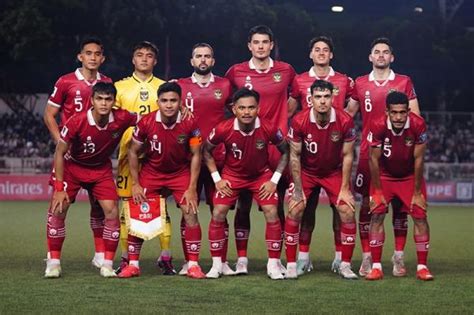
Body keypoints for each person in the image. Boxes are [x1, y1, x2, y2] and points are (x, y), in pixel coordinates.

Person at [44, 82, 139, 278]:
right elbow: (59, 153)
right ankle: (53, 263)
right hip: (73, 167)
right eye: (99, 99)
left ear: (114, 102)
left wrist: (178, 109)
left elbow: (148, 119)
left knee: (111, 211)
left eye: (108, 99)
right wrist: (60, 187)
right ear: (92, 101)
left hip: (100, 170)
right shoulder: (76, 121)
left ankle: (106, 264)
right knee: (58, 208)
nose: (104, 103)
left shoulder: (122, 117)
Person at [346, 37, 421, 277]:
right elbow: (348, 115)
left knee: (400, 207)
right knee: (368, 208)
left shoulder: (403, 81)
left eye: (385, 52)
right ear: (370, 57)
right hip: (370, 155)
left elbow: (416, 117)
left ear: (392, 57)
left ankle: (398, 257)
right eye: (376, 52)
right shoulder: (359, 83)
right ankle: (368, 256)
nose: (380, 55)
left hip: (400, 155)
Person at [117, 82, 206, 279]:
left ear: (180, 102)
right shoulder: (147, 122)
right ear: (158, 102)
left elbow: (197, 155)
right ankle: (133, 264)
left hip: (179, 173)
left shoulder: (190, 123)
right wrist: (136, 183)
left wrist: (192, 188)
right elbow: (133, 151)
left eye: (173, 100)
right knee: (138, 213)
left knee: (190, 212)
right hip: (152, 172)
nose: (168, 105)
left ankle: (193, 265)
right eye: (164, 101)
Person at [225, 25, 295, 274]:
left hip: (276, 147)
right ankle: (242, 259)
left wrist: (282, 120)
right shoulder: (236, 71)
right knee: (243, 204)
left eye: (265, 42)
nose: (261, 46)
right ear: (249, 46)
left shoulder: (285, 70)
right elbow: (225, 100)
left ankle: (277, 260)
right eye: (256, 42)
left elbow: (296, 97)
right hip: (245, 147)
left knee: (275, 206)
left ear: (271, 45)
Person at [204, 88, 289, 279]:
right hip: (232, 176)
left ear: (258, 109)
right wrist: (217, 179)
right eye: (242, 108)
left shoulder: (268, 127)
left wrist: (274, 180)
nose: (246, 112)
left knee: (272, 211)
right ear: (234, 109)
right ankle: (218, 264)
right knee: (218, 212)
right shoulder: (224, 128)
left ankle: (273, 264)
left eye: (251, 107)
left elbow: (286, 151)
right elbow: (206, 151)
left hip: (260, 176)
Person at [288, 36, 355, 275]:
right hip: (308, 159)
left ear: (331, 55)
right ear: (310, 54)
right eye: (317, 49)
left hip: (333, 157)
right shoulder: (299, 81)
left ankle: (341, 260)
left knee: (343, 209)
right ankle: (302, 259)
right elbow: (291, 108)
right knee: (304, 209)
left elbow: (353, 105)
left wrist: (340, 126)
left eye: (326, 50)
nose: (321, 53)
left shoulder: (344, 80)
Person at [43, 37, 112, 269]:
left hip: (97, 160)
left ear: (102, 58)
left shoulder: (108, 83)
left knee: (100, 208)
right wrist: (61, 142)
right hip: (71, 159)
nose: (93, 57)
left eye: (97, 53)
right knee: (59, 206)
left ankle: (100, 255)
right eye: (88, 53)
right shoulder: (66, 82)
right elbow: (49, 115)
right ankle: (53, 259)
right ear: (80, 57)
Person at [114, 41, 175, 275]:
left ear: (155, 61)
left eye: (149, 56)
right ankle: (125, 258)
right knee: (127, 208)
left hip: (157, 156)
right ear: (133, 59)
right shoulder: (119, 88)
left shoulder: (164, 87)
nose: (144, 59)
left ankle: (166, 257)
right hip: (126, 155)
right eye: (139, 55)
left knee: (159, 207)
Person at [176, 43, 234, 276]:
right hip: (187, 158)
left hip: (217, 157)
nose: (203, 60)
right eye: (198, 56)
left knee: (219, 209)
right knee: (188, 209)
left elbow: (237, 110)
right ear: (192, 61)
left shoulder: (225, 85)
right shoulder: (180, 85)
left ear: (213, 60)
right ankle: (189, 261)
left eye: (207, 56)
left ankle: (221, 261)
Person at [365, 91, 433, 281]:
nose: (398, 117)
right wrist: (377, 191)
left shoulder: (418, 125)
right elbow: (373, 159)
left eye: (402, 113)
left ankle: (422, 267)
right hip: (384, 177)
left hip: (409, 177)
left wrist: (418, 192)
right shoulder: (378, 125)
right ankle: (376, 267)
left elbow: (419, 159)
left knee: (420, 216)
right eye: (394, 112)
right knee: (377, 215)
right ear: (387, 111)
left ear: (408, 111)